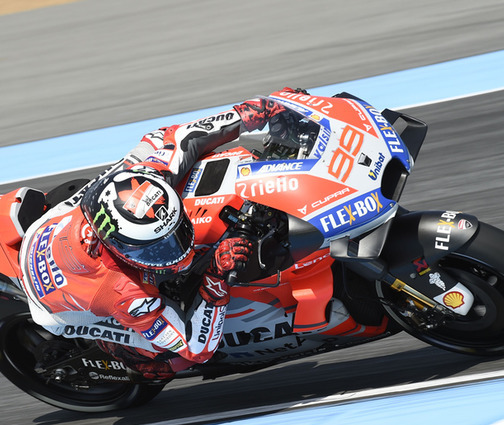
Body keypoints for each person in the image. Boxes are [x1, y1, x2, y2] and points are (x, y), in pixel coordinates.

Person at [19, 91, 296, 379]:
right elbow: (196, 347)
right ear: (120, 250)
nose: (178, 251)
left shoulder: (142, 177)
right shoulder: (123, 293)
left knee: (156, 142)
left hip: (59, 221)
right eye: (156, 248)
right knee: (165, 361)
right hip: (60, 306)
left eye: (175, 234)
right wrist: (214, 278)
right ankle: (121, 355)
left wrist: (251, 113)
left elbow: (182, 137)